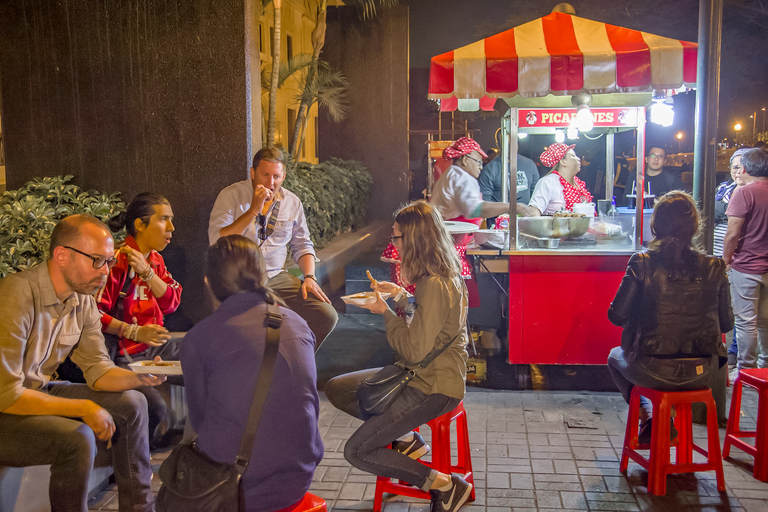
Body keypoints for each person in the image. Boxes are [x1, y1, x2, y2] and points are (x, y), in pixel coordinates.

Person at [0, 214, 166, 512]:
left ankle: (140, 508)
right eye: (97, 260)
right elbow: (7, 393)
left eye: (108, 262)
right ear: (61, 255)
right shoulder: (17, 294)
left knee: (134, 402)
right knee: (77, 439)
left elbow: (98, 370)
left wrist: (141, 377)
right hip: (6, 405)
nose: (105, 272)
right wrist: (82, 408)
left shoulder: (82, 299)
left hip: (37, 390)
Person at [325, 202, 473, 512]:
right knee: (339, 388)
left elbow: (414, 349)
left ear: (414, 239)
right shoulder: (441, 275)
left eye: (397, 237)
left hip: (432, 386)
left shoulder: (434, 284)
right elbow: (431, 321)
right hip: (417, 374)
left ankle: (444, 485)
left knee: (358, 451)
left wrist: (386, 313)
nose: (394, 245)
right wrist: (401, 295)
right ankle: (406, 438)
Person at [181, 235, 323, 512]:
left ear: (208, 283)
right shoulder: (298, 324)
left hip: (234, 488)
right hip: (299, 476)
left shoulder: (200, 338)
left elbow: (199, 421)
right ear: (263, 276)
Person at [607, 192, 733, 443]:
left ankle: (650, 417)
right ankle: (664, 419)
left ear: (655, 226)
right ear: (695, 227)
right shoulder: (715, 266)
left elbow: (616, 315)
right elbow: (727, 323)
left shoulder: (641, 262)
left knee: (613, 357)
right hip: (703, 371)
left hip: (650, 368)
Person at [208, 147, 338, 350]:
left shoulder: (292, 202)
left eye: (276, 176)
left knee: (326, 315)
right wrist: (253, 209)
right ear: (253, 172)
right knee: (235, 333)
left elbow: (302, 244)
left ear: (284, 176)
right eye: (265, 175)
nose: (271, 182)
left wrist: (310, 277)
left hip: (276, 276)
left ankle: (295, 361)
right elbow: (217, 240)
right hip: (236, 280)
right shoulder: (231, 195)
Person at [97, 192, 183, 444]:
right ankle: (129, 458)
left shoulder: (155, 260)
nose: (171, 227)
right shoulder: (116, 261)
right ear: (140, 225)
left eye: (171, 219)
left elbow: (171, 303)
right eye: (164, 219)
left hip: (156, 352)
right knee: (154, 408)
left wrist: (146, 272)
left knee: (209, 361)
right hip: (127, 358)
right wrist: (133, 332)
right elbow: (94, 314)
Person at [723, 148, 768, 370]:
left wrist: (725, 259)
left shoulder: (744, 193)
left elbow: (733, 233)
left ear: (744, 168)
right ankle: (765, 368)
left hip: (747, 267)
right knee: (765, 322)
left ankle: (747, 370)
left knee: (746, 322)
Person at [714, 148, 749, 367]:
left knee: (739, 310)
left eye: (743, 167)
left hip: (739, 258)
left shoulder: (753, 191)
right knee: (722, 302)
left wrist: (726, 210)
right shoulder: (724, 188)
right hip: (716, 252)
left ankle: (738, 355)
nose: (738, 171)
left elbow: (733, 224)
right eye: (734, 167)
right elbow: (713, 208)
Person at [528, 143, 593, 215]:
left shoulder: (578, 184)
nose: (578, 159)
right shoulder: (548, 182)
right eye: (573, 156)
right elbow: (534, 212)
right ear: (563, 161)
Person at [478, 150, 539, 225]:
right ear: (499, 142)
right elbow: (485, 201)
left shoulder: (529, 164)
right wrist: (511, 208)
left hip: (525, 223)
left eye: (513, 141)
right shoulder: (490, 168)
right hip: (498, 224)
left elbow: (535, 194)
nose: (510, 145)